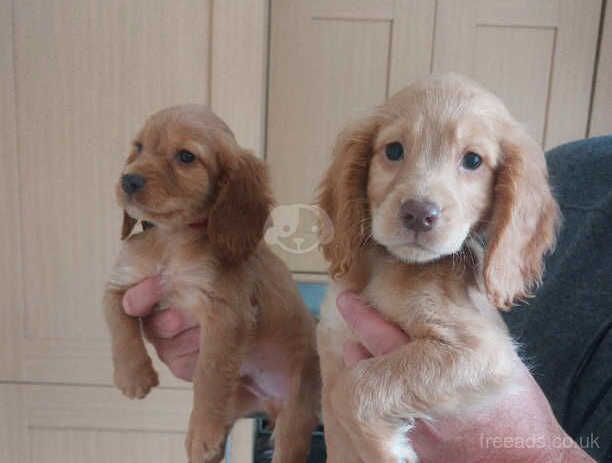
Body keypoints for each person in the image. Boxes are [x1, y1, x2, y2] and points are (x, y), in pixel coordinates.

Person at [122, 136, 611, 462]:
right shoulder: (576, 172)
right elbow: (354, 347)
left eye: (470, 162)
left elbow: (469, 362)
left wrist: (532, 453)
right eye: (394, 151)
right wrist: (259, 360)